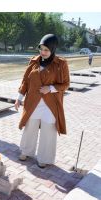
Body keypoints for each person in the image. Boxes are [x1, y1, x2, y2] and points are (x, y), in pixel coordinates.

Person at [14, 34, 70, 168]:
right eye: (41, 49)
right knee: (30, 128)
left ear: (53, 49)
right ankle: (26, 151)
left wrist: (50, 88)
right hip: (32, 102)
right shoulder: (33, 61)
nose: (43, 52)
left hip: (50, 105)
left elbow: (66, 84)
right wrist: (19, 98)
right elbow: (25, 82)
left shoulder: (61, 64)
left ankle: (44, 158)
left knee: (48, 132)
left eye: (46, 50)